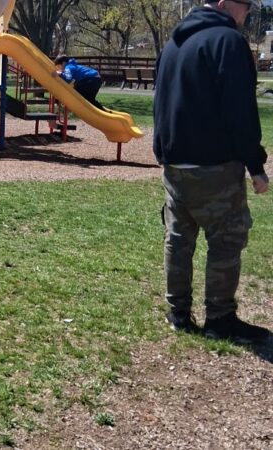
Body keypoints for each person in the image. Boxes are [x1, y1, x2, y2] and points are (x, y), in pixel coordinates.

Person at [153, 0, 270, 344]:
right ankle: (220, 317)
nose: (247, 12)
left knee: (179, 238)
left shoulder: (174, 40)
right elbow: (240, 110)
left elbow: (161, 99)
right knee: (226, 239)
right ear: (223, 4)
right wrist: (256, 165)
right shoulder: (228, 41)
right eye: (244, 6)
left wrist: (162, 150)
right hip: (215, 164)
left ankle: (178, 312)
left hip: (175, 163)